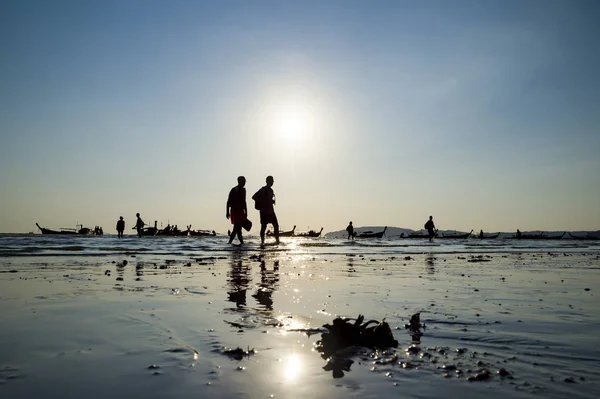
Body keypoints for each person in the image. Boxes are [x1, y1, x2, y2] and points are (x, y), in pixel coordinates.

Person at [252, 175, 279, 245]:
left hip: (270, 211)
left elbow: (268, 199)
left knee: (276, 225)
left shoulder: (271, 190)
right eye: (271, 181)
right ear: (267, 181)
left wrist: (271, 201)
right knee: (263, 227)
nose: (272, 182)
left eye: (273, 181)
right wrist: (260, 203)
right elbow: (254, 197)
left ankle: (277, 241)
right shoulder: (263, 189)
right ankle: (262, 241)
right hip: (264, 211)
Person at [226, 176, 248, 245]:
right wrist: (227, 212)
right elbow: (228, 202)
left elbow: (244, 201)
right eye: (243, 181)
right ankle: (239, 243)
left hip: (241, 211)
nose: (244, 183)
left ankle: (234, 243)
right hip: (235, 211)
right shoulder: (234, 190)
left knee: (238, 229)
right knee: (237, 228)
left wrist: (246, 211)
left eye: (245, 181)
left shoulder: (244, 190)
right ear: (239, 181)